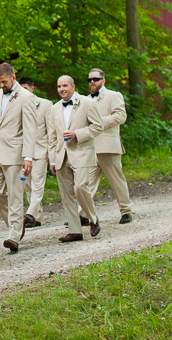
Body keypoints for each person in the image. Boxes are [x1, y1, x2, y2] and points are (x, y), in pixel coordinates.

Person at [0, 63, 37, 253]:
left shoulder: (26, 97)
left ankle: (14, 235)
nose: (1, 86)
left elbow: (30, 128)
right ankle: (18, 221)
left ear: (13, 78)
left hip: (16, 154)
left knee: (15, 194)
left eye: (4, 82)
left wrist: (28, 156)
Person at [48, 75, 104, 242]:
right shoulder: (54, 108)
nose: (61, 89)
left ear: (73, 86)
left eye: (65, 85)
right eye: (59, 86)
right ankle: (75, 231)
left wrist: (77, 134)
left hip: (81, 152)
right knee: (67, 195)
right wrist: (52, 159)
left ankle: (93, 219)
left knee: (80, 187)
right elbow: (52, 136)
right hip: (61, 155)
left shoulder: (88, 103)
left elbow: (98, 127)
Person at [83, 68, 133, 224]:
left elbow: (120, 116)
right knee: (87, 182)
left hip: (108, 145)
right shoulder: (84, 99)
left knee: (117, 180)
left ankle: (126, 211)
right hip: (90, 147)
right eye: (90, 79)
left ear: (103, 80)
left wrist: (98, 123)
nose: (92, 82)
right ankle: (83, 214)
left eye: (95, 79)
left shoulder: (114, 95)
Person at [18, 77, 53, 227]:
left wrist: (51, 150)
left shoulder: (45, 104)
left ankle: (30, 214)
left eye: (24, 88)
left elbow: (51, 129)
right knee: (28, 185)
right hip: (23, 152)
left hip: (40, 149)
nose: (22, 92)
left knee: (38, 184)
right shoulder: (17, 105)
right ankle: (36, 217)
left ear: (32, 89)